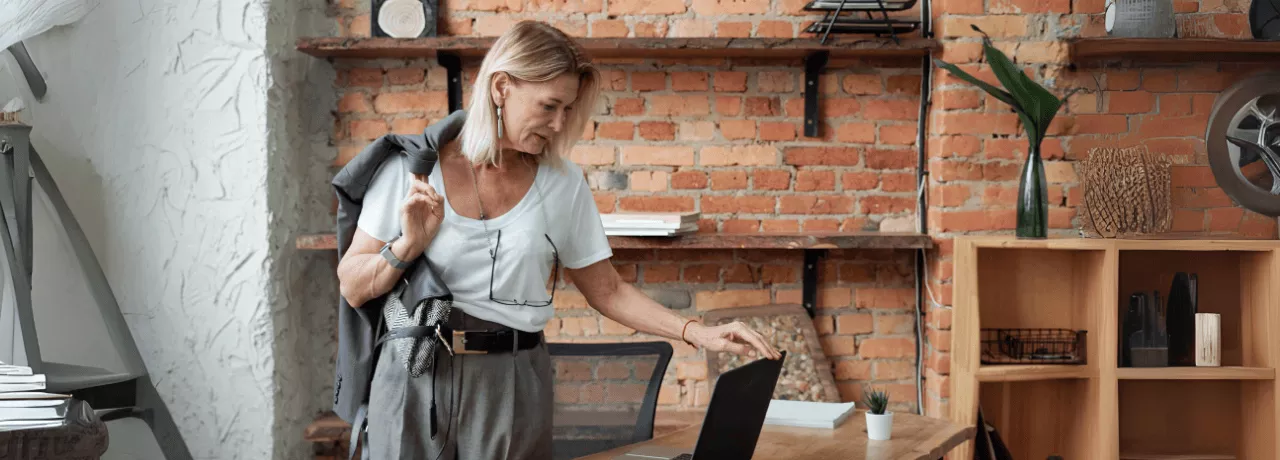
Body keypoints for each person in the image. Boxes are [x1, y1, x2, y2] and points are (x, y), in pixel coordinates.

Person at [335, 20, 782, 460]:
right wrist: (406, 248)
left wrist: (695, 332)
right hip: (413, 374)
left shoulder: (562, 183)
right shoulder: (411, 168)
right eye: (549, 106)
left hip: (511, 382)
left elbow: (607, 290)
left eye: (568, 110)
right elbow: (352, 284)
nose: (558, 123)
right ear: (501, 88)